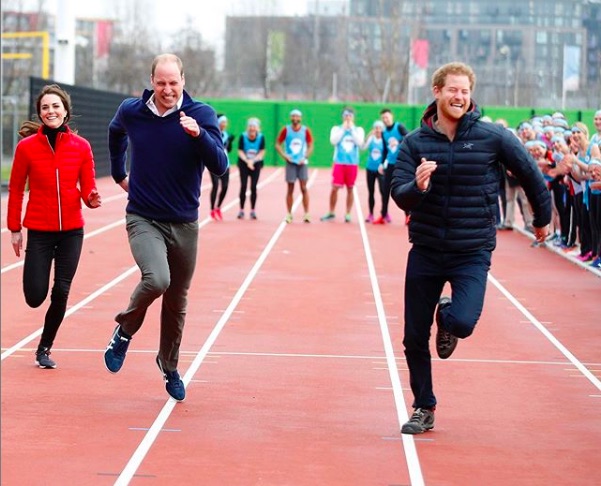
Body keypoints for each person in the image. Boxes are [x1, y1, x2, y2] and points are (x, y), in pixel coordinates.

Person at [390, 62, 551, 434]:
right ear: (437, 92)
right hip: (427, 249)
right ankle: (423, 407)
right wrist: (417, 187)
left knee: (462, 322)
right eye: (453, 90)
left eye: (465, 91)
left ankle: (446, 315)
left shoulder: (493, 137)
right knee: (414, 336)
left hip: (472, 251)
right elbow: (399, 194)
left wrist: (541, 219)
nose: (459, 96)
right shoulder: (415, 142)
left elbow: (529, 172)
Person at [104, 53, 228, 402]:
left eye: (173, 83)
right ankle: (125, 330)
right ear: (152, 81)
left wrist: (198, 135)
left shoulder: (200, 114)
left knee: (177, 299)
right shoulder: (133, 110)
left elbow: (220, 165)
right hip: (143, 216)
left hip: (185, 223)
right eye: (161, 83)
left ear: (183, 81)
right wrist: (118, 173)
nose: (167, 89)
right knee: (157, 279)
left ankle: (169, 365)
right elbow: (116, 133)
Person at [7, 84, 102, 369]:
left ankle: (44, 347)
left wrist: (92, 198)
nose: (51, 111)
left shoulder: (81, 147)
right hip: (39, 230)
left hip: (72, 230)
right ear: (40, 113)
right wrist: (14, 228)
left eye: (56, 106)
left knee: (61, 290)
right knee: (35, 296)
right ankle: (38, 305)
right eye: (45, 107)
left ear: (65, 112)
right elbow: (14, 190)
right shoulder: (26, 148)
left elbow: (88, 187)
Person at [321, 107, 365, 223]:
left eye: (350, 115)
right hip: (339, 162)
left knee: (350, 188)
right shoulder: (336, 129)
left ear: (353, 117)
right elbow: (333, 141)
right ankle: (331, 211)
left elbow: (360, 143)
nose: (348, 118)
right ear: (343, 117)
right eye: (346, 115)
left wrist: (351, 130)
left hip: (352, 163)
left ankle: (348, 213)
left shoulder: (358, 130)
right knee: (335, 188)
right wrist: (343, 129)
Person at [275, 109, 314, 223]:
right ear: (291, 118)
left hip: (302, 162)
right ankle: (289, 214)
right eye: (293, 116)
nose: (295, 118)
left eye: (297, 116)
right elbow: (277, 144)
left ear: (300, 118)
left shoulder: (305, 130)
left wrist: (305, 156)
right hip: (290, 162)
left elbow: (311, 145)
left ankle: (306, 213)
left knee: (304, 188)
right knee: (290, 189)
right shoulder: (286, 130)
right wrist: (284, 156)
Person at [375, 108, 409, 224]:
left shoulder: (399, 127)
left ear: (391, 116)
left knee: (403, 191)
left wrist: (398, 142)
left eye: (387, 117)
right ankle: (383, 215)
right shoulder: (384, 133)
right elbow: (385, 150)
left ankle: (407, 216)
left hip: (401, 164)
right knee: (385, 191)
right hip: (389, 164)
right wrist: (381, 163)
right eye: (383, 118)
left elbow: (409, 137)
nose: (385, 119)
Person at [237, 117, 265, 220]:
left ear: (258, 128)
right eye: (250, 126)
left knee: (253, 187)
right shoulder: (243, 136)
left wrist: (253, 161)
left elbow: (262, 151)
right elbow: (240, 151)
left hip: (256, 163)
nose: (252, 128)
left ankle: (253, 210)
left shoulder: (261, 137)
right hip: (244, 163)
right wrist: (247, 161)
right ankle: (241, 210)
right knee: (243, 186)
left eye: (254, 126)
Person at [209, 114, 234, 220]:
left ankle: (218, 207)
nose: (224, 124)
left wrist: (231, 142)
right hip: (214, 162)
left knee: (225, 186)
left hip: (226, 163)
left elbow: (228, 150)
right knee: (215, 185)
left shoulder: (226, 135)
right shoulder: (213, 133)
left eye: (225, 122)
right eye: (222, 122)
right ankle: (212, 209)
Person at [361, 120, 386, 223]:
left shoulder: (385, 140)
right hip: (370, 168)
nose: (378, 130)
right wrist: (368, 135)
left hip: (381, 170)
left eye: (380, 128)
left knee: (383, 191)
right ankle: (371, 213)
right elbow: (362, 147)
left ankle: (384, 213)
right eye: (376, 128)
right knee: (371, 192)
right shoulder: (371, 139)